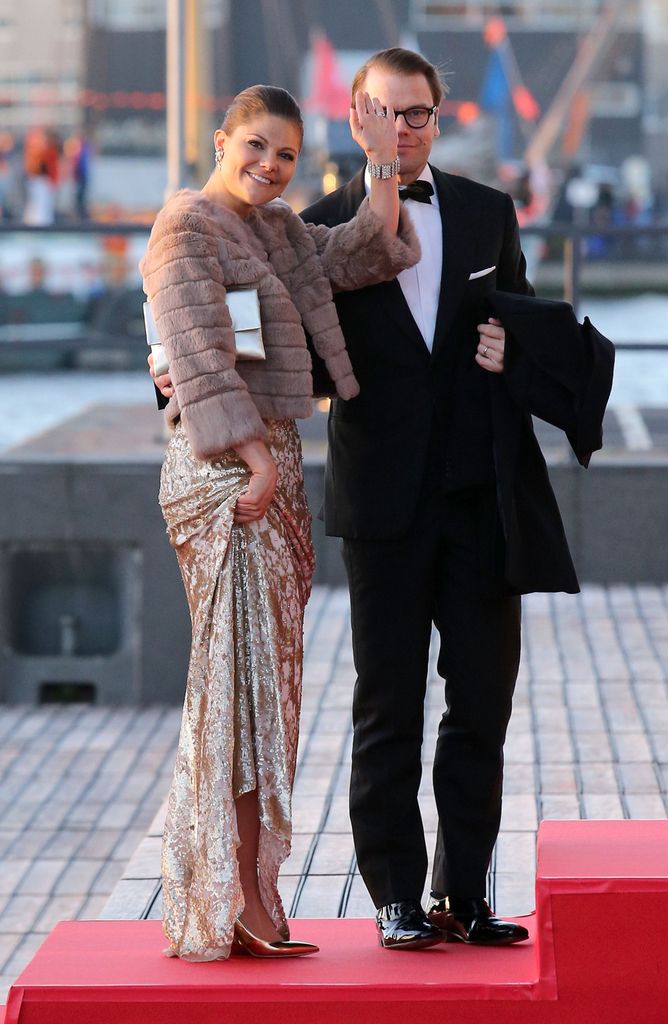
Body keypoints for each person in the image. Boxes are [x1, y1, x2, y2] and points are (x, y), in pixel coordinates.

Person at [298, 48, 611, 951]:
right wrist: (179, 374)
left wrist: (513, 358)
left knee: (482, 700)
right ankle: (396, 894)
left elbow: (521, 322)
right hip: (383, 504)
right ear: (357, 118)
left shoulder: (486, 212)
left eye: (419, 114)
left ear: (441, 118)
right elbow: (288, 355)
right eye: (385, 113)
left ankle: (462, 893)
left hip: (481, 496)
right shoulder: (316, 227)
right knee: (387, 703)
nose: (402, 130)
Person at [140, 84, 419, 962]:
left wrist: (379, 161)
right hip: (224, 467)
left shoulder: (280, 230)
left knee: (270, 690)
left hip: (274, 465)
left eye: (287, 155)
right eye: (255, 146)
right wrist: (254, 455)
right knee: (235, 688)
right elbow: (192, 348)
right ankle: (225, 900)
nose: (269, 166)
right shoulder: (186, 222)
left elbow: (363, 254)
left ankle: (249, 894)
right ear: (221, 139)